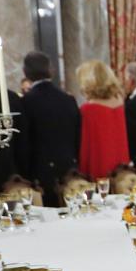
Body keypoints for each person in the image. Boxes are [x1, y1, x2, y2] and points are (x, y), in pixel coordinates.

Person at [17, 51, 79, 206]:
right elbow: (78, 135)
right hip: (69, 169)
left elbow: (24, 143)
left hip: (39, 173)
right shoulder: (68, 99)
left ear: (25, 73)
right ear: (51, 70)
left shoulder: (26, 102)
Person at [76, 60, 130, 181]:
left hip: (98, 163)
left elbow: (85, 145)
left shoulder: (88, 109)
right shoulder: (119, 102)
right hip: (120, 162)